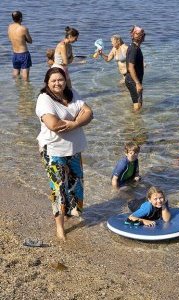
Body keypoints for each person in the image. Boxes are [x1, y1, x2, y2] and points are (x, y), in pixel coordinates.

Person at [35, 67, 93, 241]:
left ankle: (68, 215)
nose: (57, 83)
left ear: (65, 80)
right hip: (53, 150)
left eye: (60, 79)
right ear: (47, 82)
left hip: (74, 149)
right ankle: (60, 228)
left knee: (76, 185)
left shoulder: (72, 93)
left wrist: (74, 124)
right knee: (59, 188)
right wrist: (77, 119)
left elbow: (89, 113)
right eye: (53, 80)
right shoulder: (44, 99)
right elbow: (54, 125)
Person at [7, 11, 32, 81]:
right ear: (21, 18)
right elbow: (30, 41)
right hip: (23, 54)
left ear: (13, 18)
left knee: (15, 72)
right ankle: (26, 91)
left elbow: (9, 38)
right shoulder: (23, 29)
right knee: (25, 77)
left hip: (15, 54)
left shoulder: (9, 27)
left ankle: (16, 89)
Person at [125, 26, 145, 111]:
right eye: (137, 34)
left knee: (138, 104)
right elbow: (130, 67)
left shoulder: (136, 47)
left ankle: (135, 122)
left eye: (142, 34)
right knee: (138, 106)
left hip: (133, 80)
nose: (140, 36)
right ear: (132, 35)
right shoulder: (133, 48)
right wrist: (137, 83)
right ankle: (133, 123)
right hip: (132, 81)